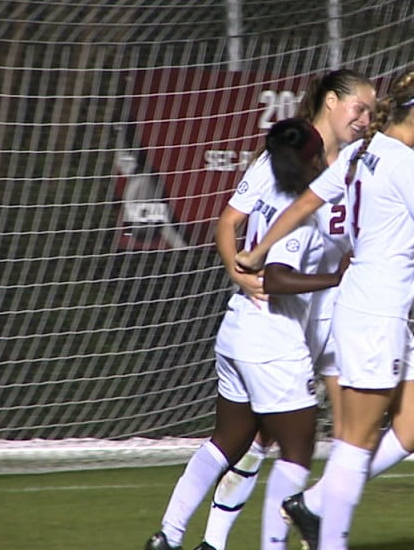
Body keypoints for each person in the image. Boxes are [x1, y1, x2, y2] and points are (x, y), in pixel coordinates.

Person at [235, 63, 414, 550]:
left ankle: (315, 503)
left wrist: (257, 250)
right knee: (354, 442)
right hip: (373, 310)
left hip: (383, 310)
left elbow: (305, 203)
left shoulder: (365, 151)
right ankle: (327, 533)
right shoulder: (401, 161)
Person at [145, 118, 346, 550]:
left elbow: (235, 230)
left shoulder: (270, 189)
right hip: (272, 343)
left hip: (236, 330)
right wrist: (334, 279)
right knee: (297, 451)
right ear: (314, 157)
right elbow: (276, 277)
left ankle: (172, 535)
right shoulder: (299, 206)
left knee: (227, 442)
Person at [200, 69, 376, 550]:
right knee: (262, 441)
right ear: (332, 103)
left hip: (340, 312)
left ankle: (321, 533)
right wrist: (238, 274)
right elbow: (230, 221)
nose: (365, 119)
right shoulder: (291, 155)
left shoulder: (367, 161)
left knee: (349, 435)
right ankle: (214, 540)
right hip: (289, 316)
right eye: (358, 108)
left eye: (371, 112)